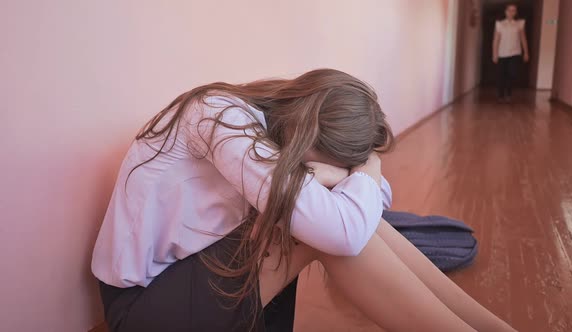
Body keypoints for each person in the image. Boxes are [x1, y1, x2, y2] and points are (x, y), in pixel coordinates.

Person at [91, 69, 517, 331]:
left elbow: (374, 206)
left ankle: (493, 329)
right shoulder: (221, 119)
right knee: (323, 230)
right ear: (311, 133)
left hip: (193, 274)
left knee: (338, 219)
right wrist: (361, 171)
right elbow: (343, 232)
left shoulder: (275, 126)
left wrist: (350, 172)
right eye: (334, 162)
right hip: (145, 309)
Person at [493, 3, 530, 103]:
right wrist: (494, 53)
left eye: (513, 10)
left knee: (512, 74)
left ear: (516, 12)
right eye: (509, 10)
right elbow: (496, 40)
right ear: (505, 11)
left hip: (515, 53)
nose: (511, 12)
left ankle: (508, 94)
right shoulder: (500, 24)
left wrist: (526, 52)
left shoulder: (519, 24)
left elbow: (523, 39)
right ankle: (501, 95)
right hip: (502, 53)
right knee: (501, 75)